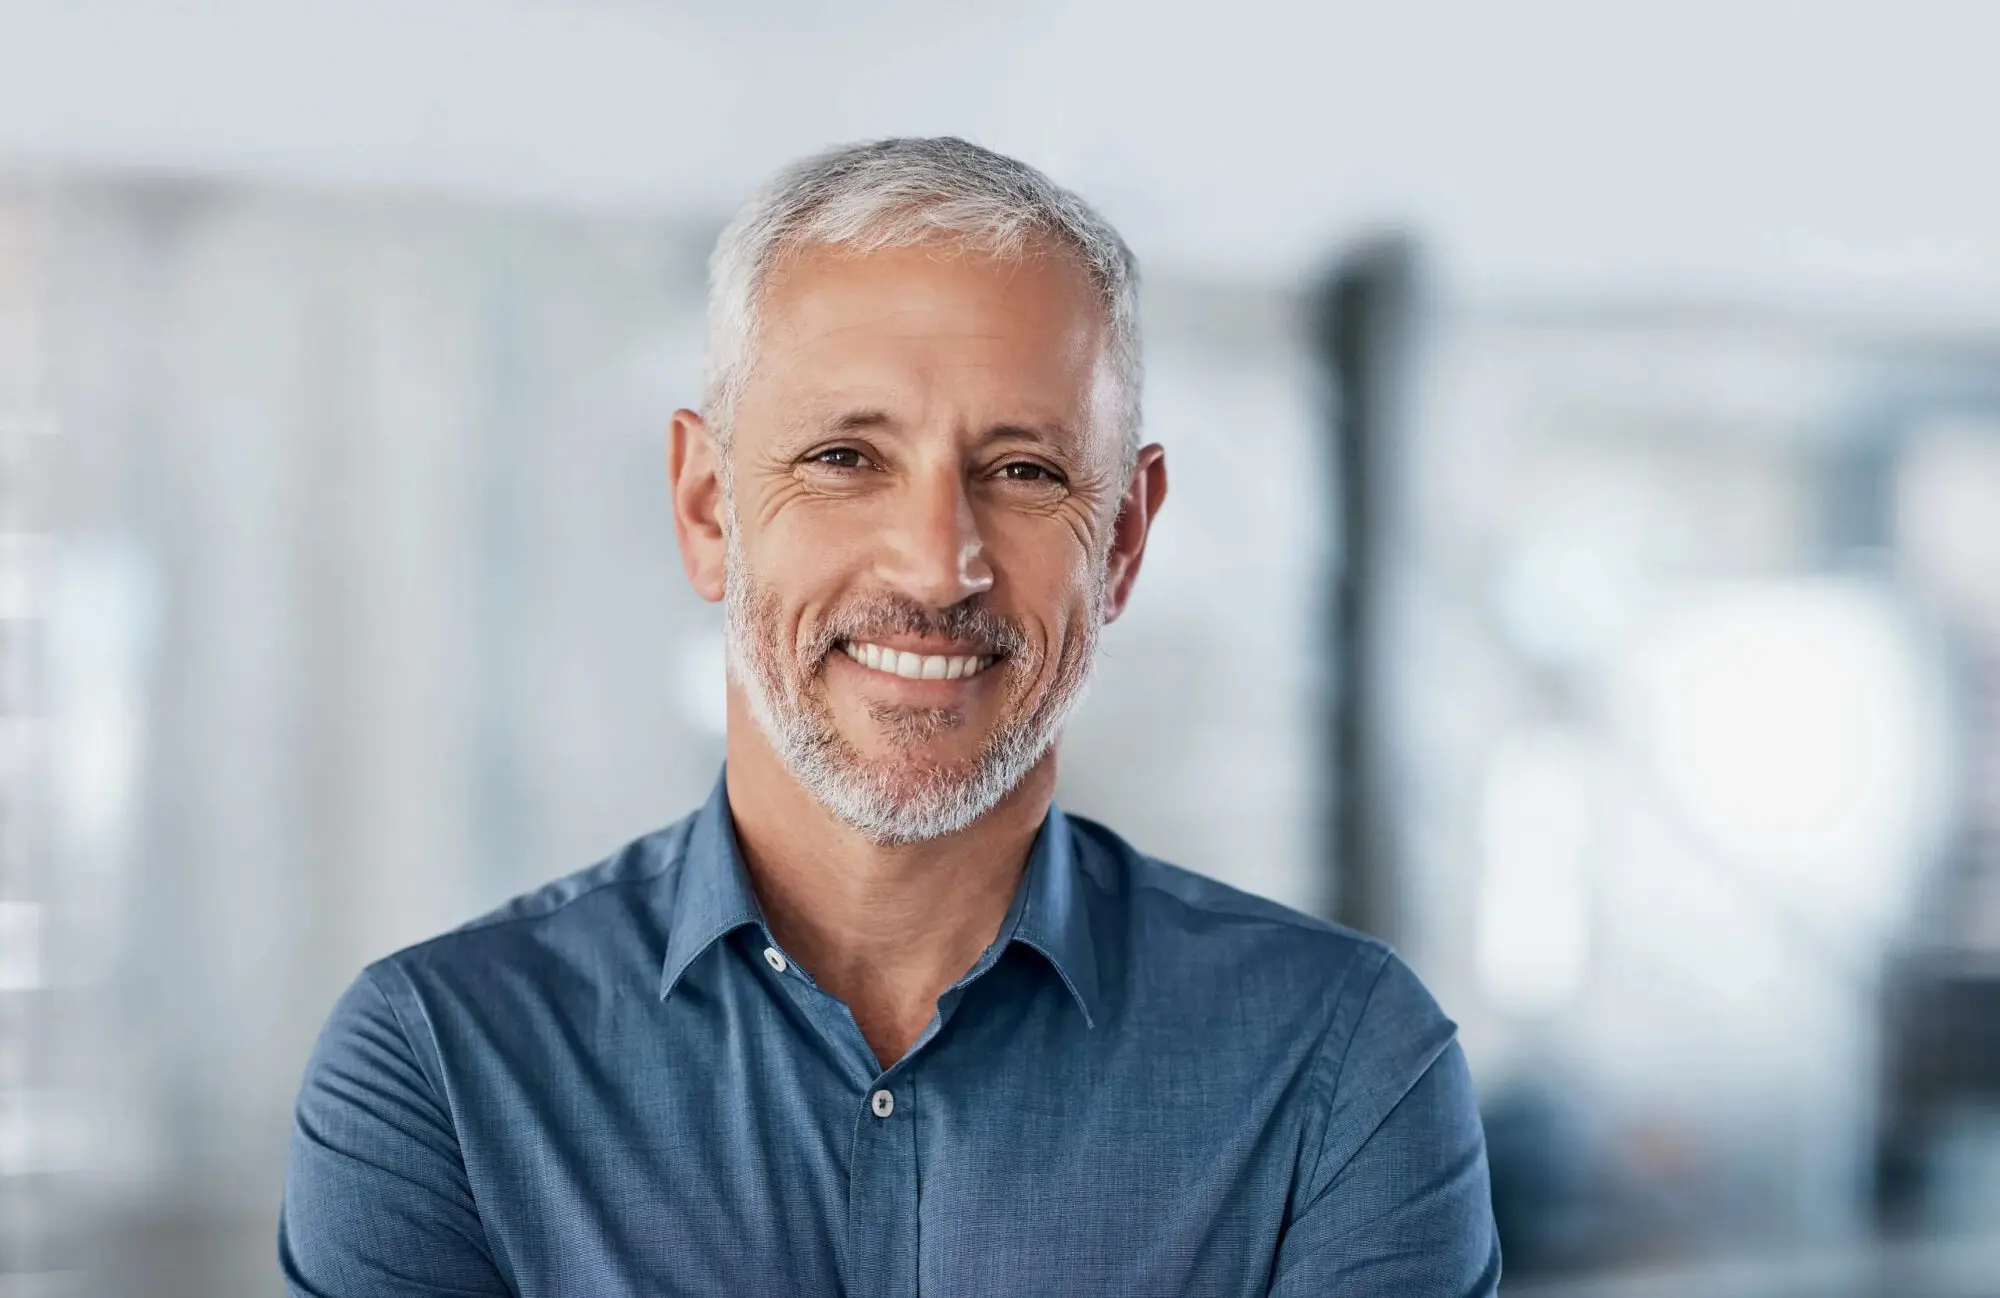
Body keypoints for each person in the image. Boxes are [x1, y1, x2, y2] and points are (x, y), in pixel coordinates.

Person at [278, 136, 1501, 1297]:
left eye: (1023, 470)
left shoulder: (1339, 1067)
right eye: (843, 459)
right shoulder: (441, 1066)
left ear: (1122, 539)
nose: (934, 566)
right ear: (708, 508)